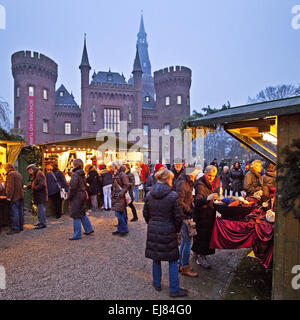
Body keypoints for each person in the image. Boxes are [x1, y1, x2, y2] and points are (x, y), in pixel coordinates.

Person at [143, 168, 188, 298]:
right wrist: (175, 229)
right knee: (173, 259)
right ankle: (174, 289)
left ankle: (157, 283)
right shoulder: (173, 196)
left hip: (153, 228)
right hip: (169, 229)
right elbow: (178, 217)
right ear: (168, 179)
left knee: (156, 257)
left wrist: (152, 224)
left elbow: (145, 214)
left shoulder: (149, 195)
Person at [192, 165, 220, 269]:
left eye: (213, 176)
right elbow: (197, 201)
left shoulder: (210, 183)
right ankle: (201, 257)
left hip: (208, 213)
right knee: (202, 236)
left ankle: (196, 253)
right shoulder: (200, 184)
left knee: (202, 235)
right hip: (202, 215)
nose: (211, 177)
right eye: (209, 175)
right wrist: (208, 198)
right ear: (205, 173)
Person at [176, 169, 199, 278]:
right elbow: (179, 201)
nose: (195, 175)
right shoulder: (183, 184)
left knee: (185, 241)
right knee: (188, 242)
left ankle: (180, 263)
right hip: (185, 216)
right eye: (194, 173)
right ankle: (185, 267)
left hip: (185, 215)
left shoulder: (187, 182)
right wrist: (189, 209)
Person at [68, 159, 94, 240]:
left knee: (76, 214)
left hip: (77, 196)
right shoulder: (82, 173)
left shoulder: (75, 175)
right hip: (82, 195)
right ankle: (89, 229)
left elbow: (73, 187)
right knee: (82, 212)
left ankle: (77, 234)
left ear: (75, 165)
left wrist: (69, 196)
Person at [26, 164, 48, 230]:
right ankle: (41, 222)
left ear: (31, 169)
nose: (29, 172)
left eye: (29, 171)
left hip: (40, 195)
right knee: (40, 209)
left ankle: (42, 223)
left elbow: (42, 185)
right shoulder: (37, 174)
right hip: (39, 195)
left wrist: (34, 188)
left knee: (41, 210)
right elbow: (36, 183)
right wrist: (28, 186)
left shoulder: (39, 174)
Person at [4, 163, 24, 235]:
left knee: (14, 213)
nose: (4, 170)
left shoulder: (10, 174)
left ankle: (16, 228)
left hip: (14, 197)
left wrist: (9, 196)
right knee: (20, 212)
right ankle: (20, 226)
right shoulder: (18, 174)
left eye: (5, 168)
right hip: (20, 196)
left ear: (8, 168)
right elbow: (22, 185)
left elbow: (10, 187)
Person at [111, 162, 130, 236]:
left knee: (119, 213)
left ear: (116, 166)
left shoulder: (122, 174)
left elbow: (126, 185)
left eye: (112, 166)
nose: (111, 168)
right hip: (117, 196)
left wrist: (121, 194)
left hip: (120, 196)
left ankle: (124, 229)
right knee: (120, 212)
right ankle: (121, 229)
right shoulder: (116, 174)